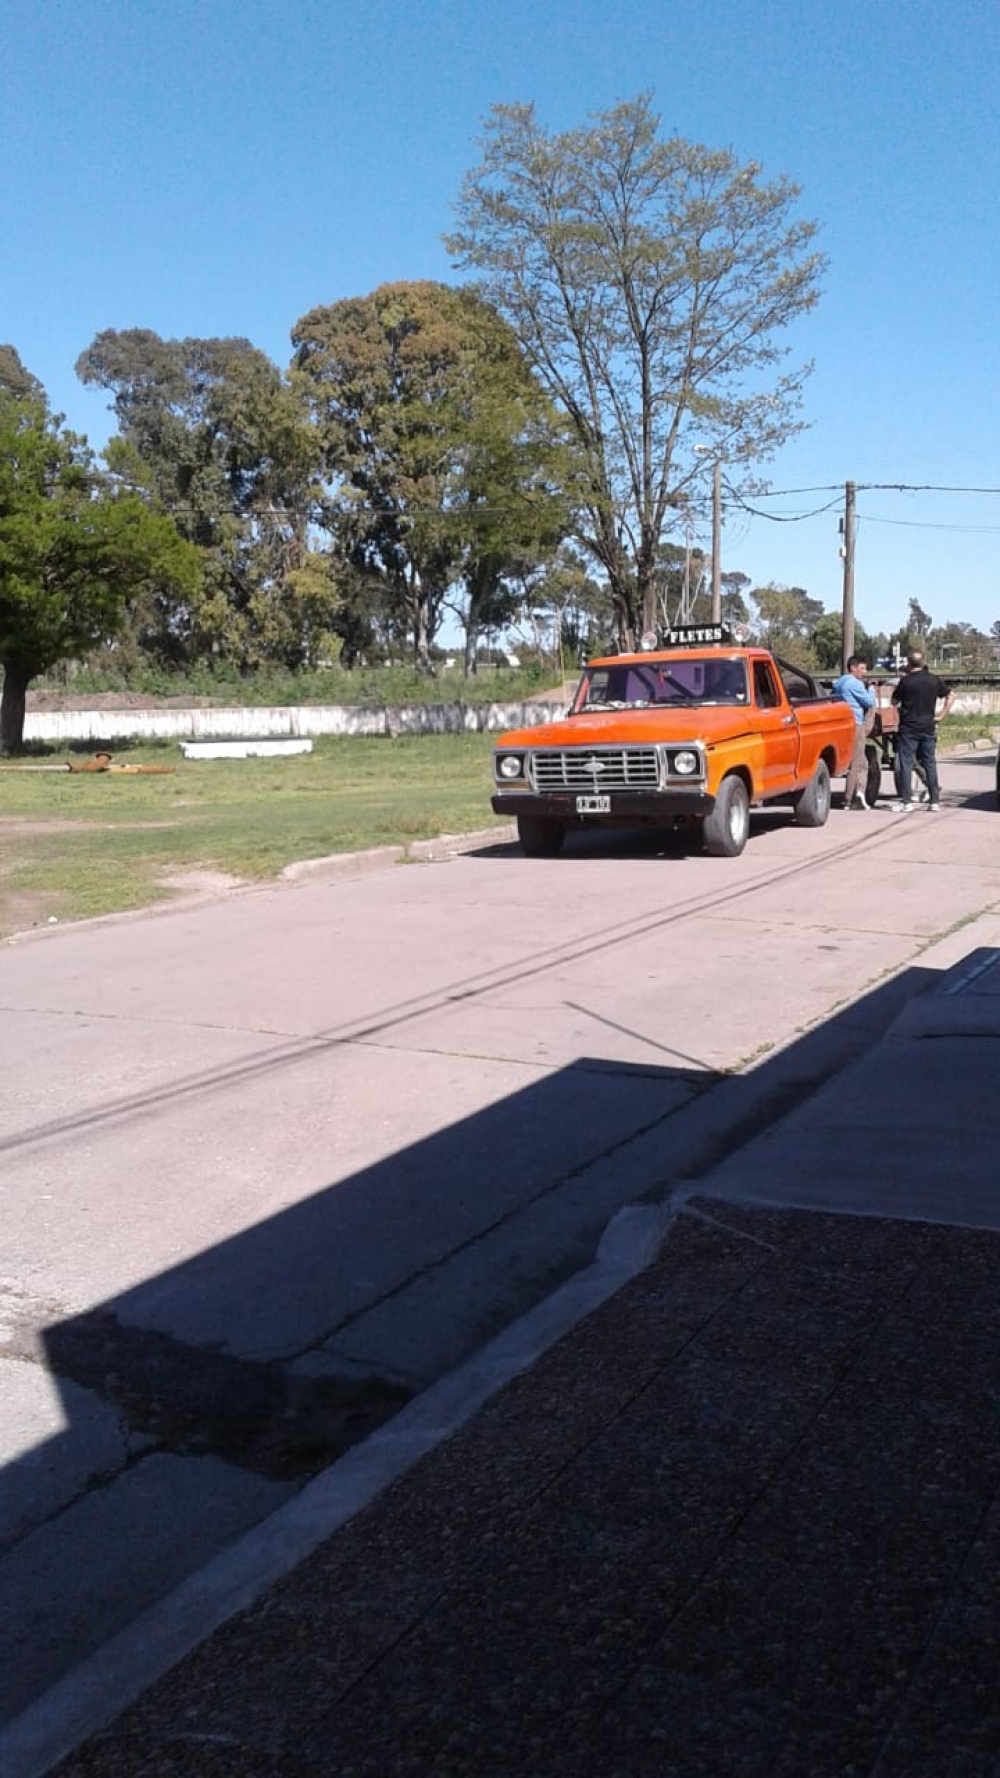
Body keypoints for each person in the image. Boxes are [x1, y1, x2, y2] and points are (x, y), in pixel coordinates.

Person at [891, 651, 954, 812]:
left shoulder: (905, 682)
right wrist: (941, 715)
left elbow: (894, 701)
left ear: (909, 664)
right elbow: (951, 695)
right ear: (923, 662)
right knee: (930, 763)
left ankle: (906, 802)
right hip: (928, 726)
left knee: (905, 763)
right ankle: (934, 801)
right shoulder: (934, 679)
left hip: (909, 728)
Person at [832, 655, 876, 809]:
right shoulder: (854, 684)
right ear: (853, 668)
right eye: (862, 668)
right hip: (855, 724)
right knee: (858, 762)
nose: (865, 672)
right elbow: (869, 702)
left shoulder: (839, 682)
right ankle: (851, 798)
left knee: (859, 760)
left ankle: (858, 793)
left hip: (842, 724)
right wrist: (871, 689)